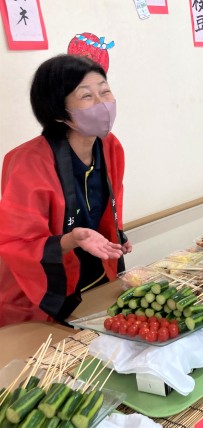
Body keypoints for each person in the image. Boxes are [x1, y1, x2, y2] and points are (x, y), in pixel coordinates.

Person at [0, 54, 132, 327]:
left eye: (105, 91)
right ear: (59, 111)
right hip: (42, 292)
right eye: (87, 96)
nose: (102, 103)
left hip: (95, 279)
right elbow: (16, 244)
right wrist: (71, 239)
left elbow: (107, 207)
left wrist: (116, 235)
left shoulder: (110, 147)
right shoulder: (28, 163)